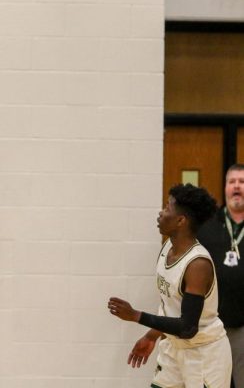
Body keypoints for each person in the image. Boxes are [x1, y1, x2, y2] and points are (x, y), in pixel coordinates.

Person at [108, 183, 232, 388]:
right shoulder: (168, 247)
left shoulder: (197, 264)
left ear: (181, 221)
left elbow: (188, 327)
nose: (160, 213)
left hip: (203, 354)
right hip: (174, 349)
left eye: (167, 208)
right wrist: (151, 335)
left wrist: (136, 316)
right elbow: (171, 305)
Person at [198, 164, 244, 388]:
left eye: (242, 182)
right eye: (232, 182)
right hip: (212, 324)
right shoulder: (207, 226)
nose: (237, 187)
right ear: (225, 187)